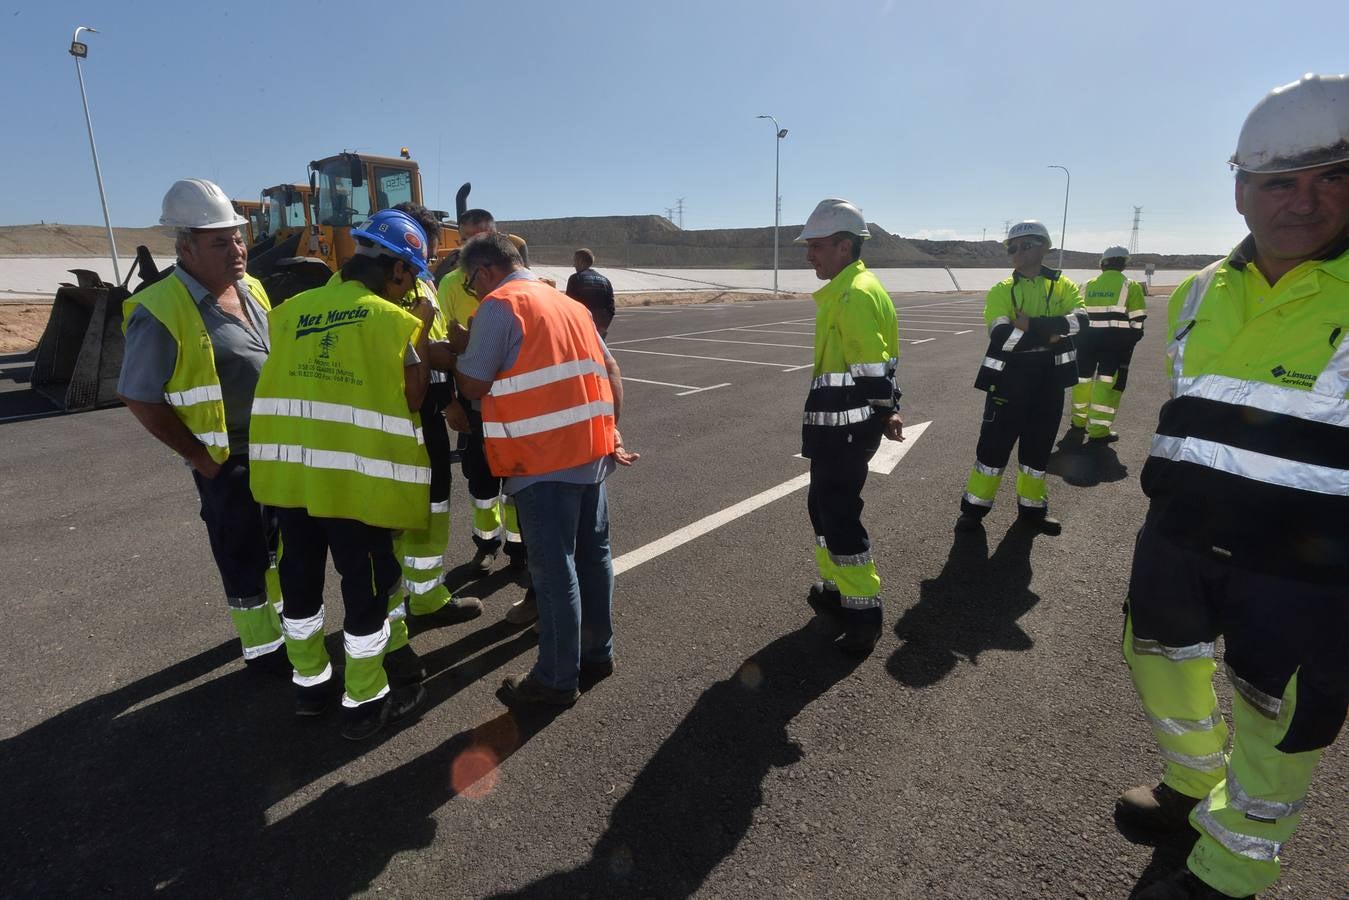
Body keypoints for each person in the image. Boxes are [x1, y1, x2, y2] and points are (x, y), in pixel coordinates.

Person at [1117, 74, 1349, 900]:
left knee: (1277, 715)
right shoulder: (1195, 292)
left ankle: (1231, 869)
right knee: (1157, 658)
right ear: (1241, 191)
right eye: (1279, 182)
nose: (1303, 201)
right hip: (1180, 534)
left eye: (1331, 177)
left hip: (1305, 562)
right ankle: (1191, 783)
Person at [248, 208, 435, 740]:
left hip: (294, 481)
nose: (410, 289)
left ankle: (310, 687)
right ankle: (364, 702)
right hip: (356, 486)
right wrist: (420, 332)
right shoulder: (391, 321)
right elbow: (414, 397)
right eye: (411, 277)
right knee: (367, 593)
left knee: (300, 586)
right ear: (397, 269)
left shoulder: (289, 312)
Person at [452, 233, 637, 707]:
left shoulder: (500, 305)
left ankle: (555, 679)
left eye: (472, 282)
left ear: (486, 271)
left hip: (541, 458)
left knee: (554, 572)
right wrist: (611, 430)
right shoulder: (570, 305)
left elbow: (473, 383)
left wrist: (458, 351)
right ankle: (597, 654)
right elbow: (611, 369)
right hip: (590, 453)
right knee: (594, 559)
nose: (475, 290)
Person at [117, 178, 287, 675]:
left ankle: (282, 624)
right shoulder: (160, 310)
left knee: (276, 546)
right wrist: (198, 457)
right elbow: (138, 394)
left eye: (237, 238)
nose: (237, 250)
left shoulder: (251, 288)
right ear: (186, 247)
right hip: (225, 459)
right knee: (240, 553)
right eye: (220, 242)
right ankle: (262, 650)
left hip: (275, 449)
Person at [795, 199, 903, 656]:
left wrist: (886, 409)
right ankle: (836, 589)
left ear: (844, 246)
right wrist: (887, 409)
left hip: (847, 429)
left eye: (816, 246)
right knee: (822, 508)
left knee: (838, 514)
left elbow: (871, 365)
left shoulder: (854, 293)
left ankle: (862, 613)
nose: (809, 255)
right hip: (838, 428)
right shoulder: (850, 288)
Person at [381, 203, 481, 685]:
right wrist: (457, 358)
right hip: (397, 421)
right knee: (391, 525)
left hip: (431, 414)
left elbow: (431, 348)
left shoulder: (422, 283)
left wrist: (451, 396)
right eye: (424, 246)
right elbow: (406, 356)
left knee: (434, 506)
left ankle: (427, 596)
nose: (430, 256)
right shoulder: (384, 289)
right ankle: (389, 630)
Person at [957, 220, 1084, 536]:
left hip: (1049, 383)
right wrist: (1052, 333)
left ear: (1044, 247)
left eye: (1025, 245)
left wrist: (1030, 325)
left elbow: (1081, 323)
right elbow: (1001, 335)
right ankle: (972, 512)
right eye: (1011, 247)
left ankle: (1033, 510)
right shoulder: (1001, 290)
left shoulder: (1064, 286)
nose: (1016, 252)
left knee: (1038, 451)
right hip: (1009, 381)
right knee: (993, 449)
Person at [439, 209, 529, 593]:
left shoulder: (519, 281)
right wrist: (450, 402)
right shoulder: (449, 285)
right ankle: (485, 545)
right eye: (465, 238)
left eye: (480, 237)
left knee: (518, 484)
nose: (471, 244)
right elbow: (441, 347)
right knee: (481, 482)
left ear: (495, 237)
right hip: (473, 404)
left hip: (516, 405)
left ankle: (520, 550)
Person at [1069, 246, 1147, 442]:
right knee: (1106, 383)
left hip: (1086, 343)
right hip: (1115, 345)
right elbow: (1137, 321)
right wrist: (1131, 340)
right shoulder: (1130, 286)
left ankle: (1078, 422)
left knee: (1082, 380)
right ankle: (1098, 431)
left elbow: (1076, 315)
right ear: (1123, 264)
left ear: (1102, 264)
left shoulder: (1086, 285)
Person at [565, 247, 616, 338]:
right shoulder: (605, 280)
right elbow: (611, 308)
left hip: (581, 328)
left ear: (580, 261)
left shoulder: (575, 278)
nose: (574, 265)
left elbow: (569, 306)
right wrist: (603, 327)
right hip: (599, 330)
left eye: (575, 261)